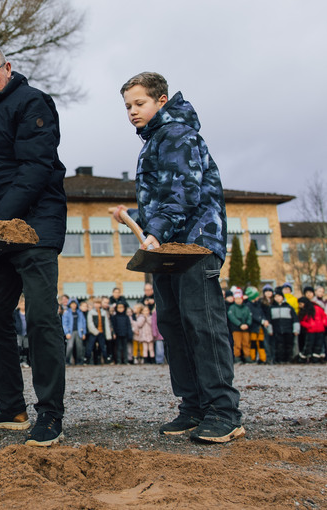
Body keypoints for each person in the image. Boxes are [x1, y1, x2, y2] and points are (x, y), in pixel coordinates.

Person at [114, 71, 243, 443]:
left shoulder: (177, 134)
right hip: (170, 248)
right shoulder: (156, 138)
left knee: (202, 324)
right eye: (127, 106)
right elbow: (163, 199)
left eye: (139, 103)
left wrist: (154, 232)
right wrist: (137, 220)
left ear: (162, 100)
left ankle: (224, 411)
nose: (132, 112)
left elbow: (184, 193)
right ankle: (194, 407)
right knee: (174, 324)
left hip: (196, 246)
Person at [0, 43, 67, 447]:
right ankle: (11, 407)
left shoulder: (32, 102)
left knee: (41, 319)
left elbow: (37, 166)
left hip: (35, 226)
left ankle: (50, 413)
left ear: (8, 68)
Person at [269, 288, 298, 363]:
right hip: (277, 330)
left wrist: (296, 329)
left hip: (288, 329)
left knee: (288, 345)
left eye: (279, 296)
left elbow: (295, 319)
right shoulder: (271, 308)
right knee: (279, 345)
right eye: (276, 297)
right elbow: (269, 320)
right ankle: (279, 359)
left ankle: (288, 359)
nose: (277, 298)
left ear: (282, 297)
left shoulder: (288, 307)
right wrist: (270, 329)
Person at [297, 297, 326, 363]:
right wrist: (308, 326)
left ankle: (315, 359)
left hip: (320, 329)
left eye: (301, 304)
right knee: (309, 345)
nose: (300, 306)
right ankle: (304, 358)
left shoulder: (317, 308)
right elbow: (302, 321)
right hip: (311, 330)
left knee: (318, 345)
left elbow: (324, 317)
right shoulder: (304, 311)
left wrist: (324, 323)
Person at [86, 298, 112, 365]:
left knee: (103, 347)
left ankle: (106, 360)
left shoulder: (103, 312)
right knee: (90, 347)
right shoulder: (91, 312)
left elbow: (106, 324)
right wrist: (95, 331)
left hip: (101, 332)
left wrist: (108, 335)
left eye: (98, 303)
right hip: (93, 333)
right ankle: (87, 360)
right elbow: (90, 323)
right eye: (96, 303)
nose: (97, 305)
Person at [61, 299, 86, 366]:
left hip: (79, 332)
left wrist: (84, 333)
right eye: (72, 304)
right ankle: (67, 361)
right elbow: (64, 323)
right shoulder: (67, 313)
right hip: (70, 332)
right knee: (70, 346)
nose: (73, 305)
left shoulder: (80, 313)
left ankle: (79, 361)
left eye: (75, 304)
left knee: (79, 347)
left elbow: (83, 323)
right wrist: (66, 332)